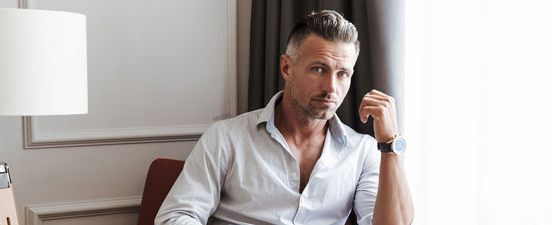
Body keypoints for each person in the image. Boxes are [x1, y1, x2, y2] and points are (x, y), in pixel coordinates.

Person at [155, 10, 413, 225]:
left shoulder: (362, 151)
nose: (331, 87)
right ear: (286, 67)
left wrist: (390, 145)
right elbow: (176, 217)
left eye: (342, 73)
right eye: (318, 69)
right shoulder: (226, 137)